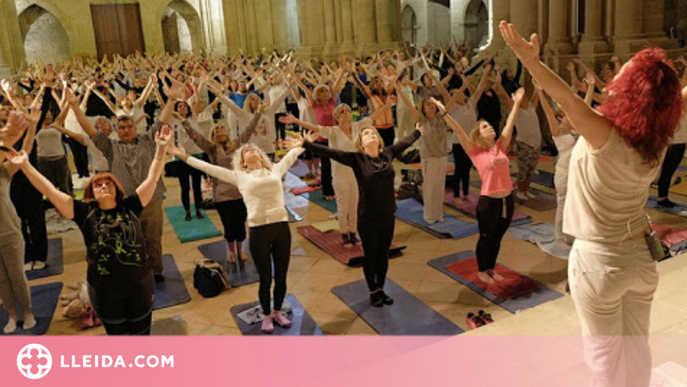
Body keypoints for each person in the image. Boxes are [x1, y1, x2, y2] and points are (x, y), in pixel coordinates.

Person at [501, 21, 684, 387]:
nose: (617, 73)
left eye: (625, 71)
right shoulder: (656, 138)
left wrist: (532, 63)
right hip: (640, 263)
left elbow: (566, 97)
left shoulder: (605, 134)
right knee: (636, 350)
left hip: (600, 263)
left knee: (603, 361)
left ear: (631, 91)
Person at [9, 125, 172, 335]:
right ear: (91, 193)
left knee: (142, 336)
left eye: (108, 183)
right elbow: (49, 190)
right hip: (105, 292)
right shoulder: (83, 212)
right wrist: (25, 166)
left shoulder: (132, 205)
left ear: (117, 189)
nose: (103, 185)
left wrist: (160, 150)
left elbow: (152, 177)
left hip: (139, 287)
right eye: (98, 184)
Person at [167, 138, 305, 334]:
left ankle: (277, 311)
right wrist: (183, 156)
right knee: (265, 277)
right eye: (245, 151)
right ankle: (266, 315)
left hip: (281, 228)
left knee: (281, 276)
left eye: (252, 148)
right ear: (243, 162)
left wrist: (304, 142)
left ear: (260, 155)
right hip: (258, 231)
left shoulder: (275, 169)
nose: (250, 150)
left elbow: (293, 154)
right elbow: (209, 168)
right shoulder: (240, 176)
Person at [300, 123, 423, 307]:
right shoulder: (357, 159)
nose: (371, 134)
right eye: (366, 133)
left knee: (383, 254)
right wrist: (307, 145)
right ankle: (372, 291)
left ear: (378, 140)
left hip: (388, 214)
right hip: (367, 217)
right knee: (371, 255)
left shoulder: (387, 154)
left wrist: (418, 132)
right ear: (362, 143)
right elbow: (332, 153)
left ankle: (381, 288)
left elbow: (405, 143)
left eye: (373, 132)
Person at [67, 87, 173, 283]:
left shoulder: (148, 141)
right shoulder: (110, 147)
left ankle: (156, 273)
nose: (126, 131)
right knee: (131, 240)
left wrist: (172, 99)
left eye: (129, 127)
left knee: (153, 239)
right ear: (116, 130)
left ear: (135, 127)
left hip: (152, 200)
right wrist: (74, 106)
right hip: (126, 203)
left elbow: (162, 121)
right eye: (122, 128)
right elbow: (89, 130)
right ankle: (136, 272)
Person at [433, 88, 524, 284]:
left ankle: (491, 267)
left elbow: (510, 123)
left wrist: (516, 102)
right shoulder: (474, 151)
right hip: (488, 201)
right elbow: (458, 130)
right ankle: (482, 269)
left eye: (490, 126)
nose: (490, 128)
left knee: (498, 237)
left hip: (507, 200)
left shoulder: (500, 146)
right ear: (478, 134)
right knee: (486, 237)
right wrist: (444, 112)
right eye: (485, 127)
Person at [280, 98, 396, 247]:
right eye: (342, 112)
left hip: (357, 173)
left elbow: (373, 116)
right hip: (339, 174)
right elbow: (315, 127)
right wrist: (296, 120)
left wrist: (387, 106)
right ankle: (344, 235)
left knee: (355, 205)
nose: (346, 114)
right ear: (336, 117)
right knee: (343, 206)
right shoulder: (333, 131)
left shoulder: (358, 126)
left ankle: (353, 234)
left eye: (347, 111)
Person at [0, 110, 37, 334]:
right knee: (2, 282)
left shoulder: (4, 171)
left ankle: (27, 311)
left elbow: (26, 151)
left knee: (17, 276)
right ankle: (12, 314)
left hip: (9, 231)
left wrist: (31, 127)